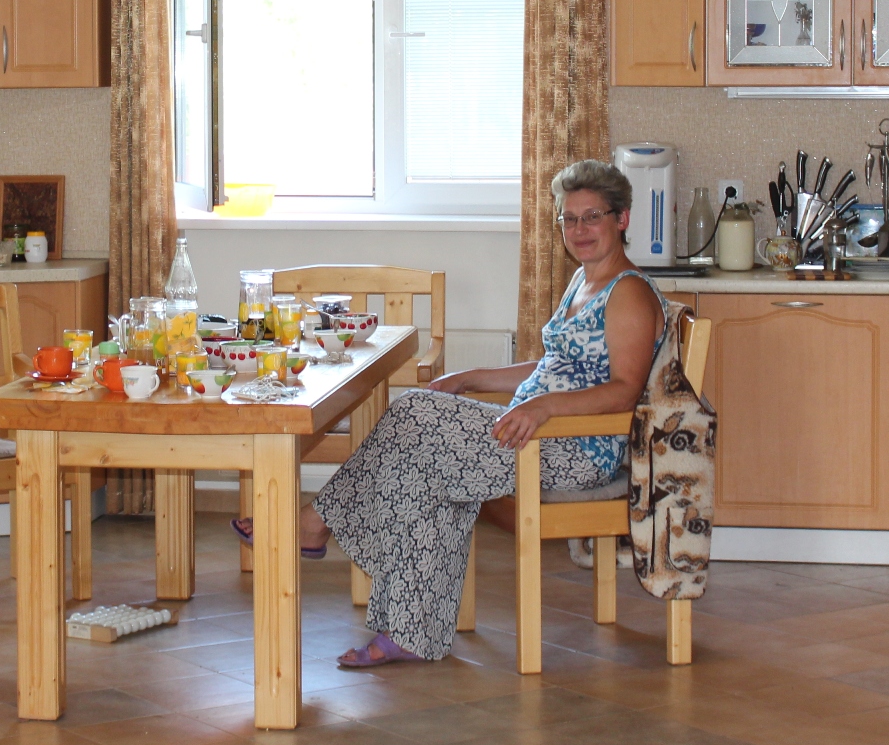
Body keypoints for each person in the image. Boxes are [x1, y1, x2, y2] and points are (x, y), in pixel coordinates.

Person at [235, 158, 667, 668]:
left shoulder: (628, 292)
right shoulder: (584, 281)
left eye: (592, 217)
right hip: (537, 429)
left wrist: (543, 406)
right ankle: (407, 633)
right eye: (569, 219)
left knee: (414, 413)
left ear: (622, 219)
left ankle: (315, 523)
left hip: (575, 448)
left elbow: (624, 392)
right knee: (422, 463)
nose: (579, 230)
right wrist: (472, 377)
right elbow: (555, 366)